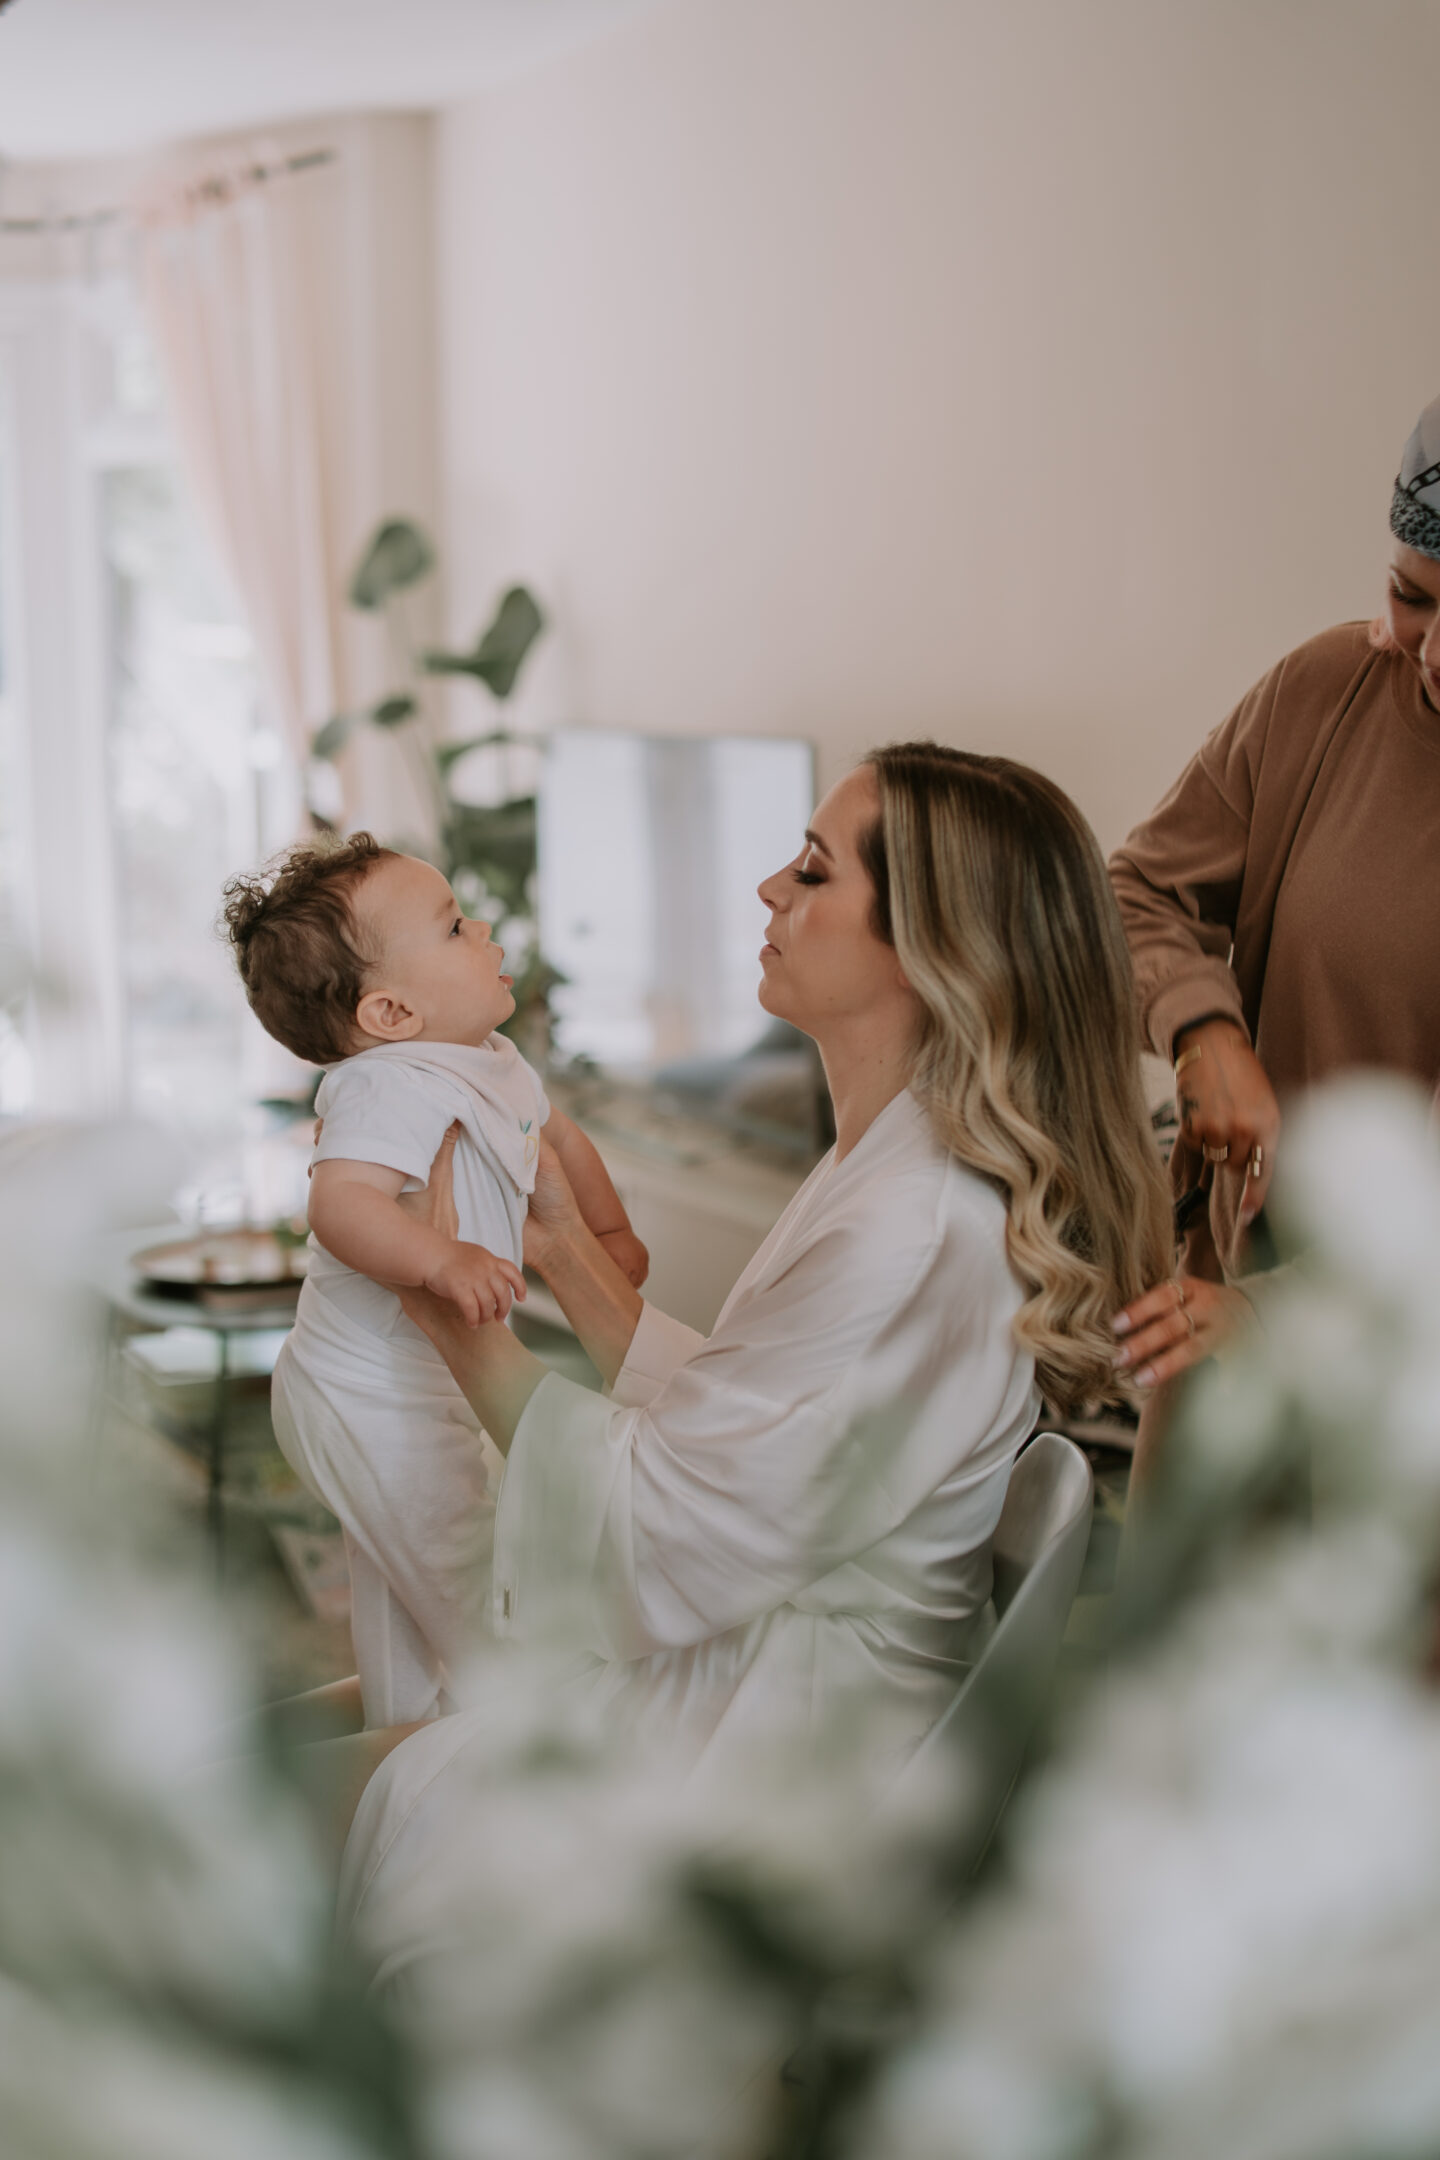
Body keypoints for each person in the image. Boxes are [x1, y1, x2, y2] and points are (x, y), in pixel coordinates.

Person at [335, 743, 1173, 1964]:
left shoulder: (913, 1222)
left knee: (305, 1808)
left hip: (764, 1762)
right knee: (365, 1733)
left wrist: (425, 1290)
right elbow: (757, 1432)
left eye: (814, 872)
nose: (769, 891)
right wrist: (565, 1253)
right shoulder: (887, 1159)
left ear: (932, 950)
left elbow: (651, 1538)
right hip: (768, 1671)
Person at [222, 835, 646, 1728]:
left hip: (419, 1383)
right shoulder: (389, 1084)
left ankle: (411, 1751)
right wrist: (440, 1261)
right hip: (364, 1389)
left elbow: (560, 1142)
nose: (484, 930)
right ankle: (520, 1734)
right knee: (468, 1573)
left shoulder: (490, 1057)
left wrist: (605, 1236)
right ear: (389, 1013)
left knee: (407, 1600)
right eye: (455, 926)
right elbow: (340, 1205)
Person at [1109, 391, 1440, 1406]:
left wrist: (1278, 1315)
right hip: (1225, 1325)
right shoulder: (1332, 687)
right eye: (1412, 594)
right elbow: (1133, 895)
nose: (1431, 652)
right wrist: (1203, 1031)